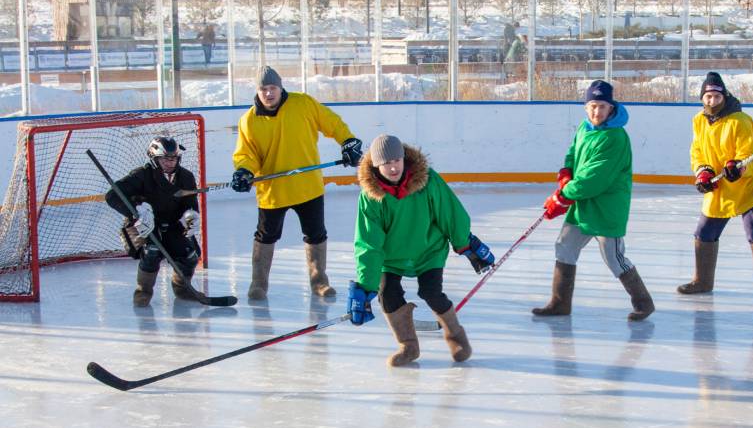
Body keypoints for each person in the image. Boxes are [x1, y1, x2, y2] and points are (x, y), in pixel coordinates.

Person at [347, 134, 495, 366]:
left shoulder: (427, 181)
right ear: (376, 166)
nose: (393, 167)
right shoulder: (370, 197)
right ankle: (408, 347)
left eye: (397, 159)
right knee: (387, 295)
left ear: (404, 158)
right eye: (386, 163)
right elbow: (369, 244)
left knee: (431, 292)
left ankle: (456, 335)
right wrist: (366, 286)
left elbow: (450, 214)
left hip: (429, 251)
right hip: (392, 257)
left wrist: (465, 244)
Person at [231, 65, 363, 300]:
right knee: (266, 236)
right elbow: (246, 154)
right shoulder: (248, 121)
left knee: (315, 234)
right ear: (258, 91)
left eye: (273, 88)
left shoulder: (303, 104)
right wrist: (243, 170)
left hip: (307, 187)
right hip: (273, 191)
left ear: (281, 88)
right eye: (264, 89)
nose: (269, 93)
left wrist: (348, 141)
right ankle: (258, 284)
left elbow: (331, 123)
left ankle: (319, 282)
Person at [533, 79, 654, 321]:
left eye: (601, 106)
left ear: (611, 108)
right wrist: (566, 173)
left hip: (606, 206)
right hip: (582, 204)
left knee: (614, 258)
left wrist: (563, 196)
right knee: (565, 246)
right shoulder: (584, 127)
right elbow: (573, 152)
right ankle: (559, 303)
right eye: (592, 106)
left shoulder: (615, 138)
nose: (596, 111)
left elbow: (594, 178)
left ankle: (643, 302)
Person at [677, 71, 753, 308]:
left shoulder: (740, 120)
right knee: (704, 232)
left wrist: (736, 167)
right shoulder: (699, 120)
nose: (711, 101)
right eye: (707, 97)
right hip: (720, 188)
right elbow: (697, 151)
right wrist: (703, 171)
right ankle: (702, 281)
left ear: (724, 96)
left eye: (716, 97)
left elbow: (748, 153)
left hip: (748, 185)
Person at [104, 136, 202, 307]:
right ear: (154, 158)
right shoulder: (141, 175)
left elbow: (191, 204)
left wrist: (191, 216)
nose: (170, 163)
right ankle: (143, 291)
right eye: (165, 159)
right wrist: (136, 210)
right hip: (145, 226)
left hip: (173, 225)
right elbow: (111, 196)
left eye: (174, 159)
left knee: (190, 255)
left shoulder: (186, 177)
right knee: (152, 252)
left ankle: (182, 289)